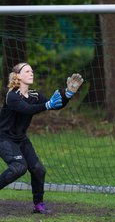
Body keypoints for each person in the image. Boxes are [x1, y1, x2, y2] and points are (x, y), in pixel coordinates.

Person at [0, 62, 83, 214]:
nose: (31, 73)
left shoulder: (35, 95)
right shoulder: (12, 96)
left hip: (21, 138)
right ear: (17, 76)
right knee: (19, 168)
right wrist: (48, 104)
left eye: (32, 71)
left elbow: (54, 105)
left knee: (38, 170)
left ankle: (38, 205)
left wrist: (68, 94)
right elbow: (27, 109)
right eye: (26, 71)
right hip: (4, 138)